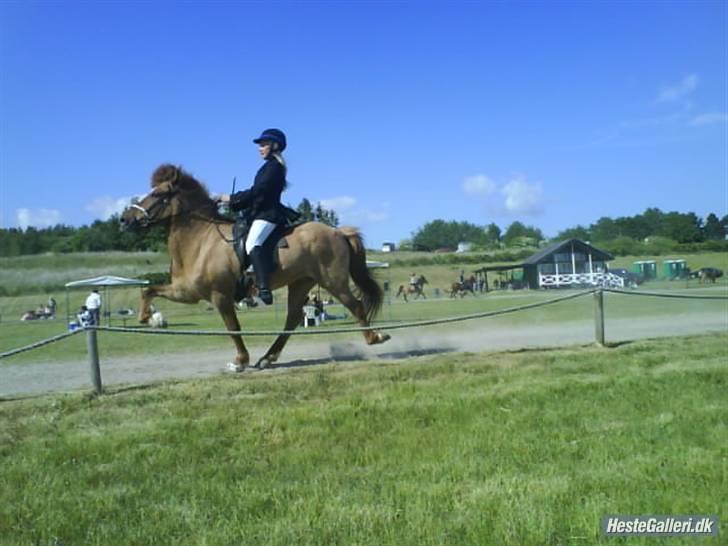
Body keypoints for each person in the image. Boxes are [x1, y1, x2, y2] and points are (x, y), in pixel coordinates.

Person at [218, 128, 298, 305]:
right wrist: (234, 204)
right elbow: (256, 196)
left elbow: (258, 192)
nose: (260, 148)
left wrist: (231, 198)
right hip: (258, 213)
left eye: (264, 144)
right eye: (260, 145)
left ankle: (264, 288)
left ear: (275, 146)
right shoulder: (267, 167)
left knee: (253, 242)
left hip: (268, 215)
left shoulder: (274, 167)